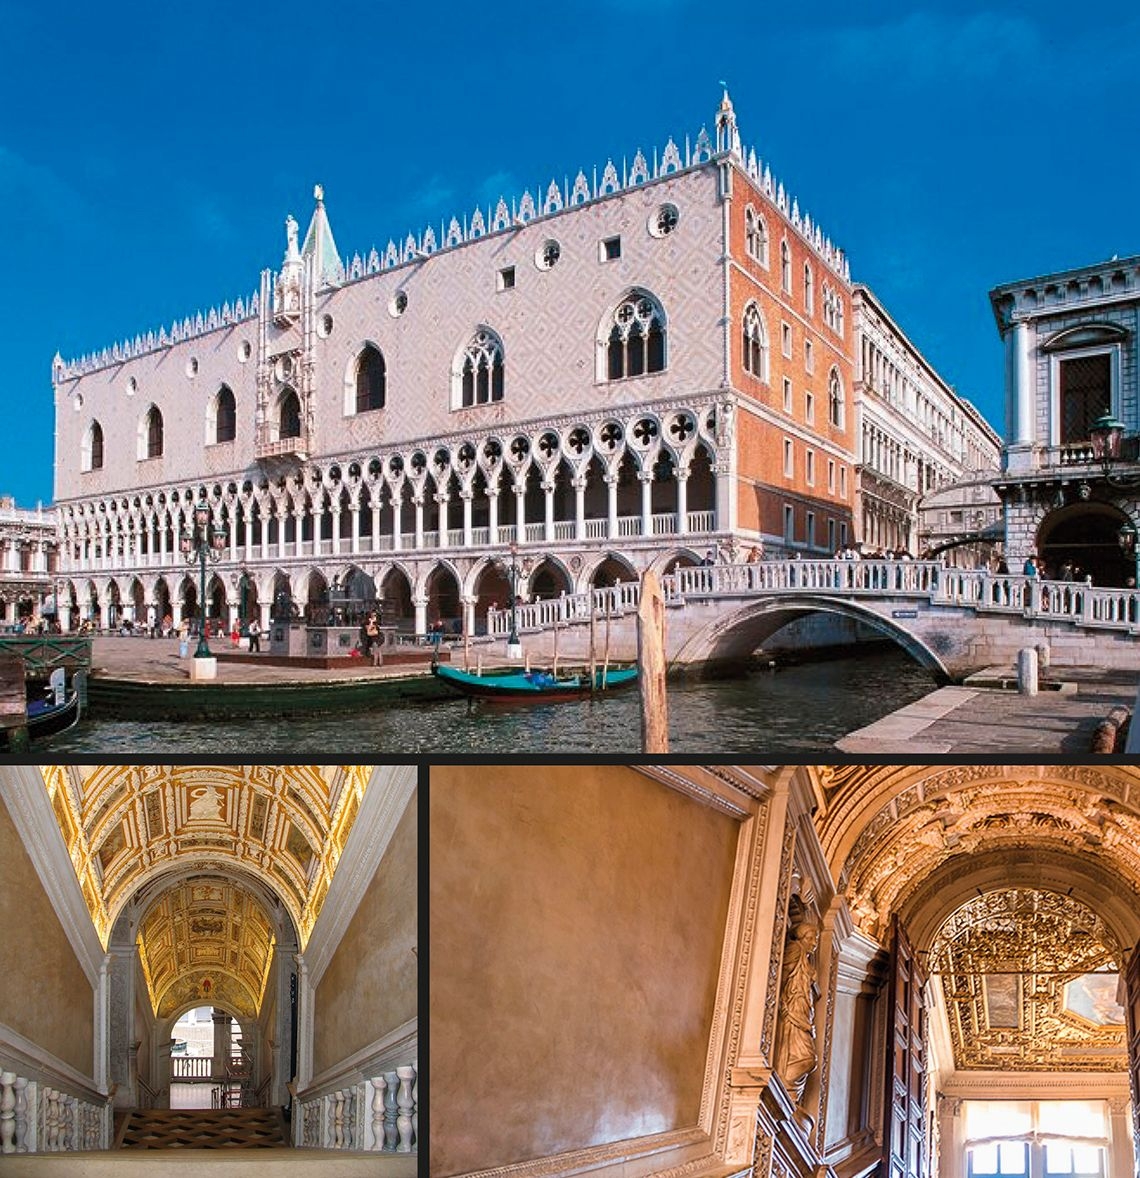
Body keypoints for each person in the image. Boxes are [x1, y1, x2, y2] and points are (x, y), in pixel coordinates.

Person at [774, 914, 820, 1108]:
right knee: (808, 1058)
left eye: (815, 938)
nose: (814, 942)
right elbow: (783, 975)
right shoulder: (795, 949)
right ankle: (784, 1085)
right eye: (810, 938)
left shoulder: (806, 960)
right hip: (793, 1009)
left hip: (803, 1012)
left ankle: (789, 1094)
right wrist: (781, 1001)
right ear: (800, 938)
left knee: (810, 1059)